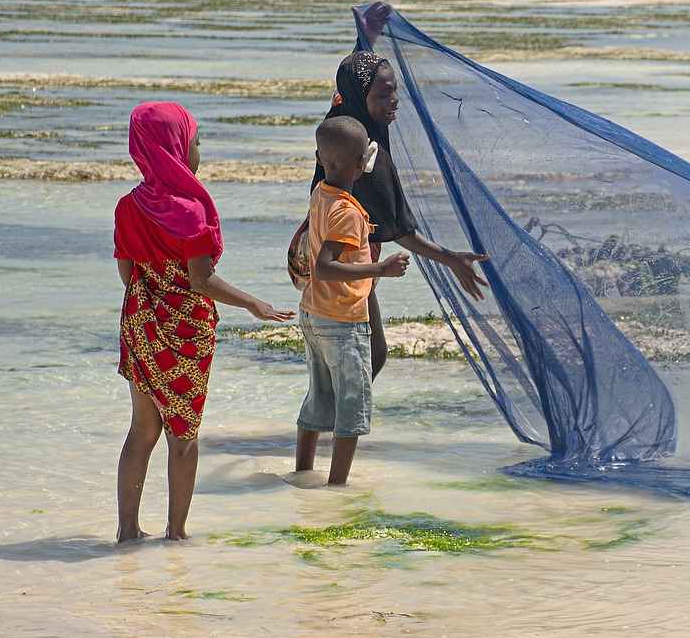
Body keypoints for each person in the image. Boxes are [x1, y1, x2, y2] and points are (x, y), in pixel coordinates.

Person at [114, 102, 293, 544]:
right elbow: (201, 279)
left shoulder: (127, 207)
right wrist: (254, 304)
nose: (199, 150)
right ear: (174, 148)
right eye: (195, 141)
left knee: (142, 429)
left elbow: (127, 274)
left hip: (140, 322)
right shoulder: (189, 211)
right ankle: (176, 533)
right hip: (185, 331)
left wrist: (153, 296)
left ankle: (127, 529)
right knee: (183, 435)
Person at [288, 41, 488, 385]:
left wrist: (366, 39)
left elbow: (353, 74)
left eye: (394, 92)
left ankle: (329, 427)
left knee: (357, 357)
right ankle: (340, 428)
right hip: (338, 264)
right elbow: (402, 232)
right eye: (382, 96)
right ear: (360, 96)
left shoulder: (339, 119)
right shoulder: (366, 158)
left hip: (312, 248)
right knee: (365, 355)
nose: (393, 101)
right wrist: (451, 258)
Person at [295, 117, 411, 484]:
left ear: (319, 158)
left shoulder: (321, 195)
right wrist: (381, 268)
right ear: (364, 163)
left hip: (314, 314)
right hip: (342, 320)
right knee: (351, 405)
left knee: (319, 396)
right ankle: (337, 485)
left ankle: (302, 472)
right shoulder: (347, 212)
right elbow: (325, 267)